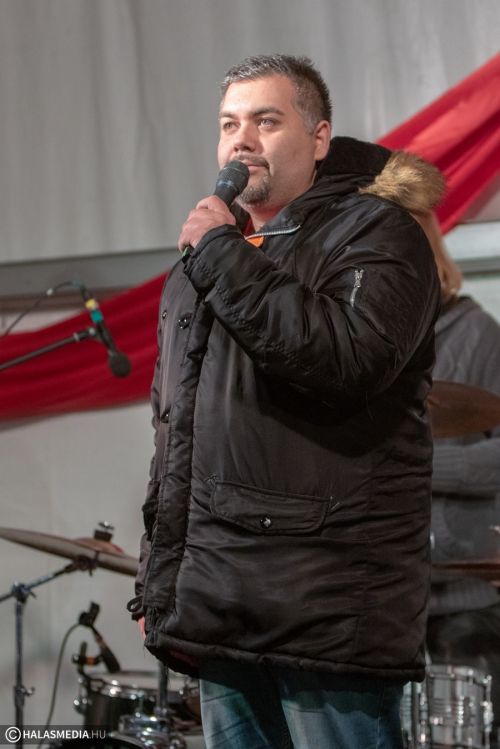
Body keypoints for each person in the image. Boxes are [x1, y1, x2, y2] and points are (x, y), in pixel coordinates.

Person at [128, 54, 445, 749]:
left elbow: (346, 360)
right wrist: (159, 580)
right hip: (220, 604)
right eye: (229, 124)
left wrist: (219, 251)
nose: (241, 140)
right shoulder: (203, 263)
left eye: (266, 121)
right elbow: (176, 434)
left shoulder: (377, 232)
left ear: (319, 137)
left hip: (325, 611)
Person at [421, 213, 500, 745]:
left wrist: (424, 466)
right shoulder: (367, 341)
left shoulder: (480, 334)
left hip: (464, 598)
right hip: (383, 597)